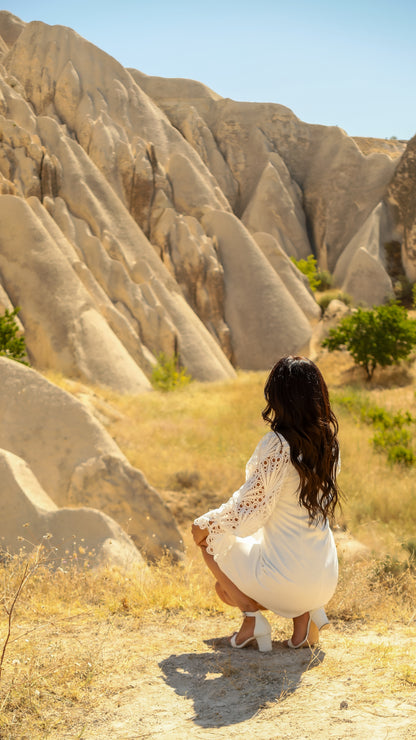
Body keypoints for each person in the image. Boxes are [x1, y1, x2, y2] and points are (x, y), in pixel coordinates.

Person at [191, 355, 341, 652]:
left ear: (279, 397)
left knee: (208, 541)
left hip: (290, 579)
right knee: (275, 540)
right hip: (325, 576)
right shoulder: (330, 443)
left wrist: (205, 523)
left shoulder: (277, 445)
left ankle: (251, 619)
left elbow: (248, 509)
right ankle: (305, 621)